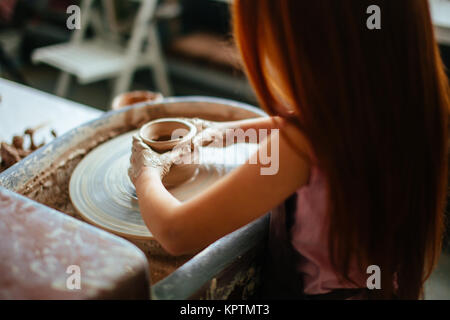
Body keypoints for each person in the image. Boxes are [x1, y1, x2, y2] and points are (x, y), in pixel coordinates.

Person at [128, 0, 449, 299]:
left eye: (265, 43)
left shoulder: (294, 150)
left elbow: (175, 232)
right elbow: (320, 126)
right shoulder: (411, 104)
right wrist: (222, 131)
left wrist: (147, 171)